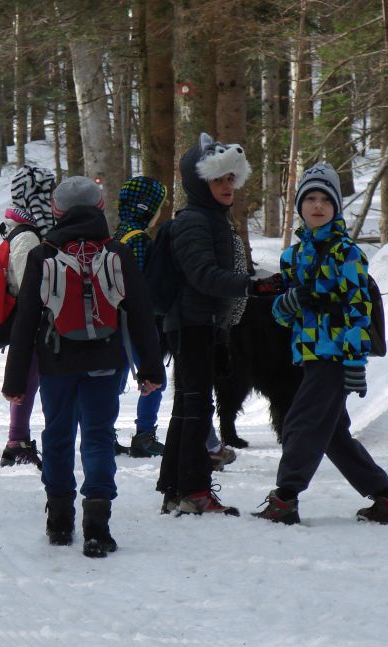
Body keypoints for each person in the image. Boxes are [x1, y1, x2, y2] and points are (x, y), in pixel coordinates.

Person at [2, 176, 165, 558]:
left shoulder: (43, 255)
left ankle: (59, 522)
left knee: (57, 436)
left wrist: (15, 381)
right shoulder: (117, 253)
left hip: (56, 363)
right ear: (99, 208)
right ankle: (97, 526)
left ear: (56, 212)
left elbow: (25, 321)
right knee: (97, 437)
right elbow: (141, 314)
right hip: (107, 363)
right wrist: (152, 371)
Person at [253, 162, 388, 525]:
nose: (318, 205)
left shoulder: (347, 253)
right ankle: (387, 500)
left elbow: (359, 310)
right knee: (334, 435)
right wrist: (286, 304)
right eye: (310, 198)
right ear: (300, 206)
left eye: (326, 199)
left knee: (301, 424)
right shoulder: (292, 257)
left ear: (336, 207)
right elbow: (282, 315)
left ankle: (285, 498)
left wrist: (355, 361)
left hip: (336, 355)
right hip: (308, 353)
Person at [155, 132, 280, 517]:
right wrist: (251, 284)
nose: (227, 186)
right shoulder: (194, 221)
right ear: (199, 181)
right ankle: (193, 490)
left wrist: (223, 334)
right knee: (195, 408)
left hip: (203, 325)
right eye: (218, 178)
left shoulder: (211, 219)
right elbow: (203, 275)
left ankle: (175, 488)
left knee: (189, 406)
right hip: (191, 324)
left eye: (231, 179)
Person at [0, 165, 57, 471]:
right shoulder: (28, 236)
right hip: (31, 320)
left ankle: (19, 440)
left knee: (32, 379)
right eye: (45, 192)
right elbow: (26, 284)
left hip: (35, 318)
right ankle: (16, 442)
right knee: (27, 380)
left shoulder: (30, 231)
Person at [111, 176, 169, 458]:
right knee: (153, 378)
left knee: (116, 378)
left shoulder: (116, 234)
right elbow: (146, 286)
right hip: (135, 322)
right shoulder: (140, 240)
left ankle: (105, 432)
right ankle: (144, 435)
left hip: (112, 320)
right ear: (147, 208)